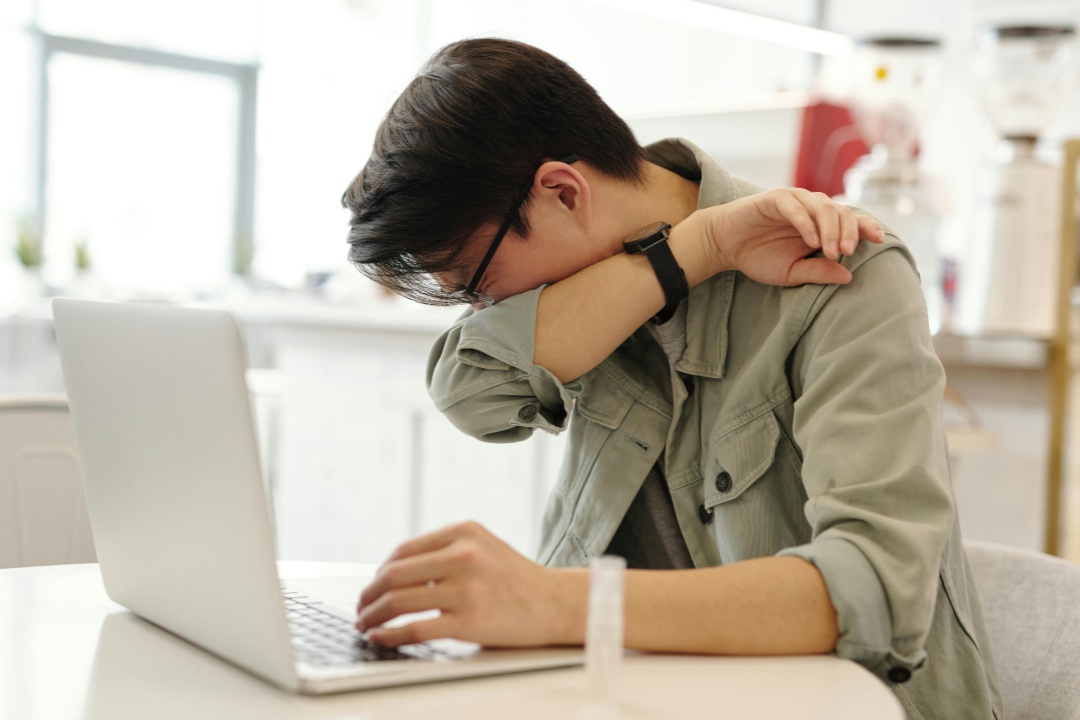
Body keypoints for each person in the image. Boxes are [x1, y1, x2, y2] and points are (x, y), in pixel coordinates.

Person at [340, 38, 1001, 719]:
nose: (487, 312)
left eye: (478, 287)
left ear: (564, 192)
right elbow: (468, 390)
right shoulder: (593, 286)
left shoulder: (840, 270)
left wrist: (553, 602)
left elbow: (876, 589)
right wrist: (694, 250)